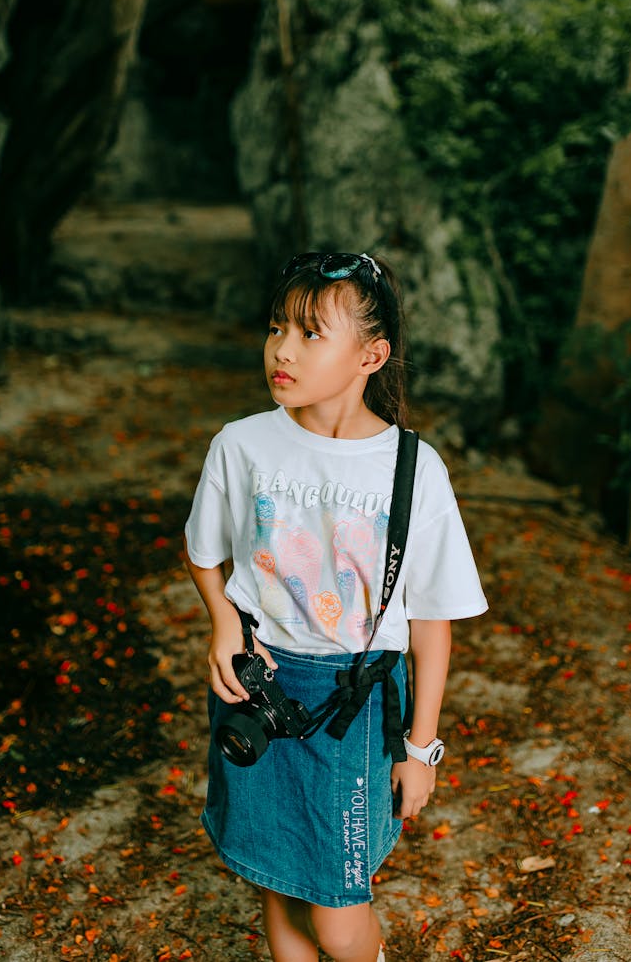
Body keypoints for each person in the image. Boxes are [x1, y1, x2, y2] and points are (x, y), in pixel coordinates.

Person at [184, 251, 487, 962]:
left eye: (311, 333)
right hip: (258, 684)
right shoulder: (242, 444)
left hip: (352, 700)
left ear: (371, 355)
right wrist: (225, 624)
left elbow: (431, 623)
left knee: (340, 919)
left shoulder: (412, 468)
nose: (282, 349)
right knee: (278, 887)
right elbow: (204, 552)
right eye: (275, 328)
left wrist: (421, 747)